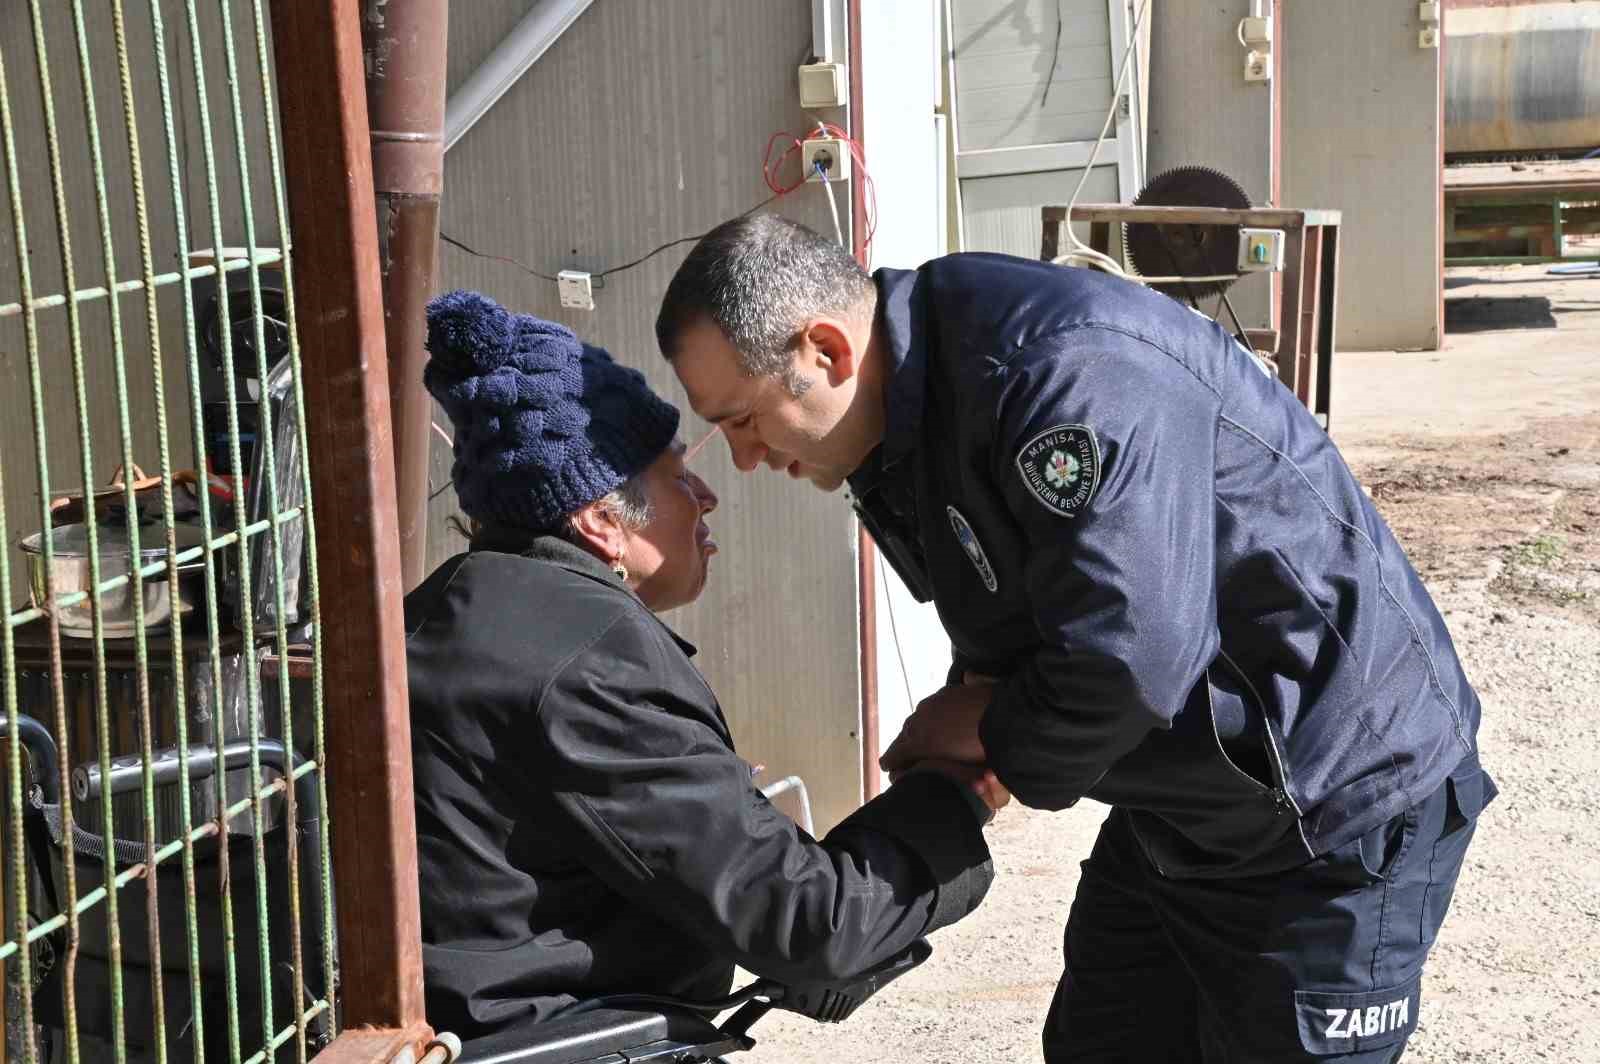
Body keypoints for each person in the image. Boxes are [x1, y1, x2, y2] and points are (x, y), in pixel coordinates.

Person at [655, 214, 1496, 1063]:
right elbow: (1017, 620)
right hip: (1187, 801)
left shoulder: (1058, 372)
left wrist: (990, 736)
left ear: (826, 352)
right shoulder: (910, 404)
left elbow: (1123, 663)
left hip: (1329, 804)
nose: (746, 459)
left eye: (742, 420)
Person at [405, 289, 1002, 1044]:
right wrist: (961, 788)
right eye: (678, 475)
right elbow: (806, 922)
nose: (708, 496)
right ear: (601, 522)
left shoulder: (449, 613)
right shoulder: (588, 662)